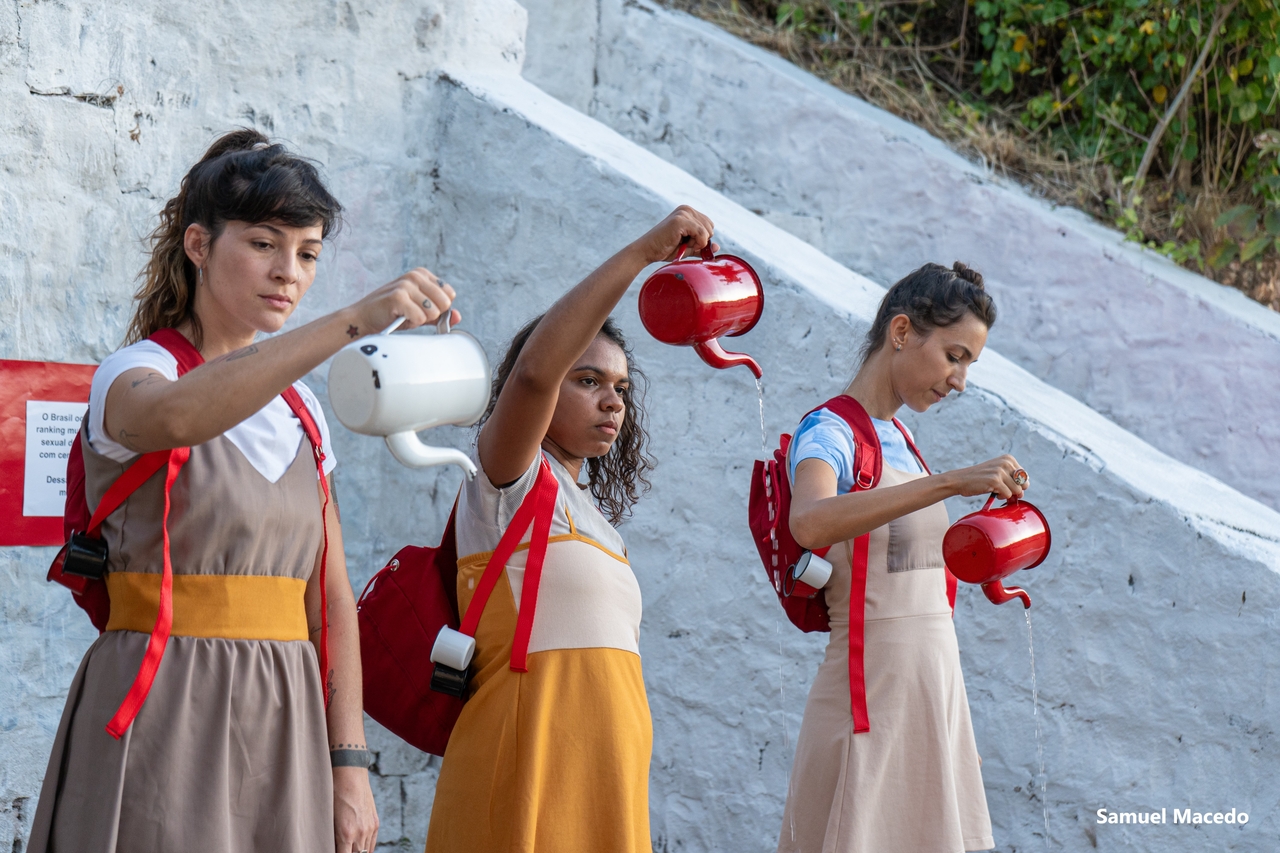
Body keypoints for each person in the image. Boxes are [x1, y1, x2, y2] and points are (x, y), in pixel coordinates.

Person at [28, 129, 460, 853]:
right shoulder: (134, 375)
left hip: (286, 715)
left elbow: (329, 600)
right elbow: (177, 416)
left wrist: (348, 765)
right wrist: (351, 322)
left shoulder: (305, 413)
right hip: (164, 700)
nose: (288, 271)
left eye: (308, 253)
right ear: (198, 244)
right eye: (264, 243)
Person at [424, 206, 716, 853]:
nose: (613, 399)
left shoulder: (603, 530)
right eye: (587, 380)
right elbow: (534, 372)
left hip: (606, 776)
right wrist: (644, 251)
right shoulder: (510, 477)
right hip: (527, 765)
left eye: (620, 386)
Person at [779, 262, 1026, 853]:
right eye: (955, 356)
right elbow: (809, 520)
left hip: (928, 694)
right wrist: (949, 484)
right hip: (868, 696)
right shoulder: (829, 431)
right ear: (901, 332)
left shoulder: (903, 444)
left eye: (968, 364)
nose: (960, 380)